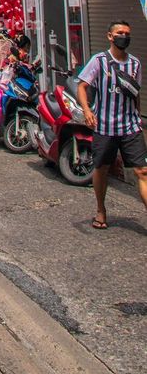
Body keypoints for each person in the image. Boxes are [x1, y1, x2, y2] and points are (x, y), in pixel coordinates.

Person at [76, 20, 147, 229]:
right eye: (120, 33)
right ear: (110, 36)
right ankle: (101, 210)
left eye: (127, 33)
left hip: (130, 126)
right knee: (102, 168)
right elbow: (82, 86)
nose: (124, 37)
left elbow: (135, 92)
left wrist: (138, 117)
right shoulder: (99, 61)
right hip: (105, 126)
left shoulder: (135, 63)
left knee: (142, 171)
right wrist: (87, 111)